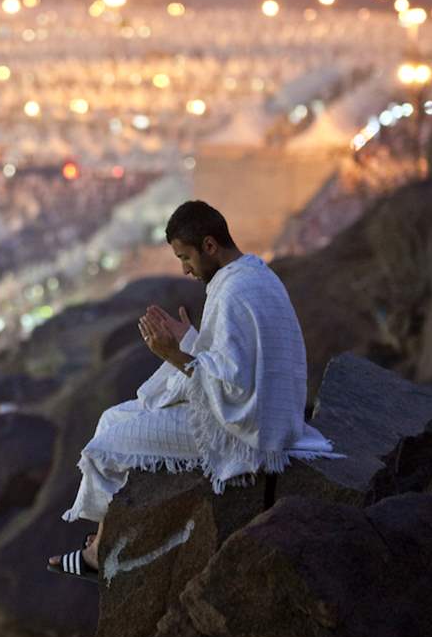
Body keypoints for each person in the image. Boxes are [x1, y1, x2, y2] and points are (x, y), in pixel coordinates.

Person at [47, 200, 343, 582]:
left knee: (107, 445)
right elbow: (235, 362)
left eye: (185, 257)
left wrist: (172, 352)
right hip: (259, 412)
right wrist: (189, 337)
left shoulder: (235, 291)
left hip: (244, 433)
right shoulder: (252, 274)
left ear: (209, 245)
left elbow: (231, 387)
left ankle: (98, 551)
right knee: (110, 418)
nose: (185, 270)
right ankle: (102, 539)